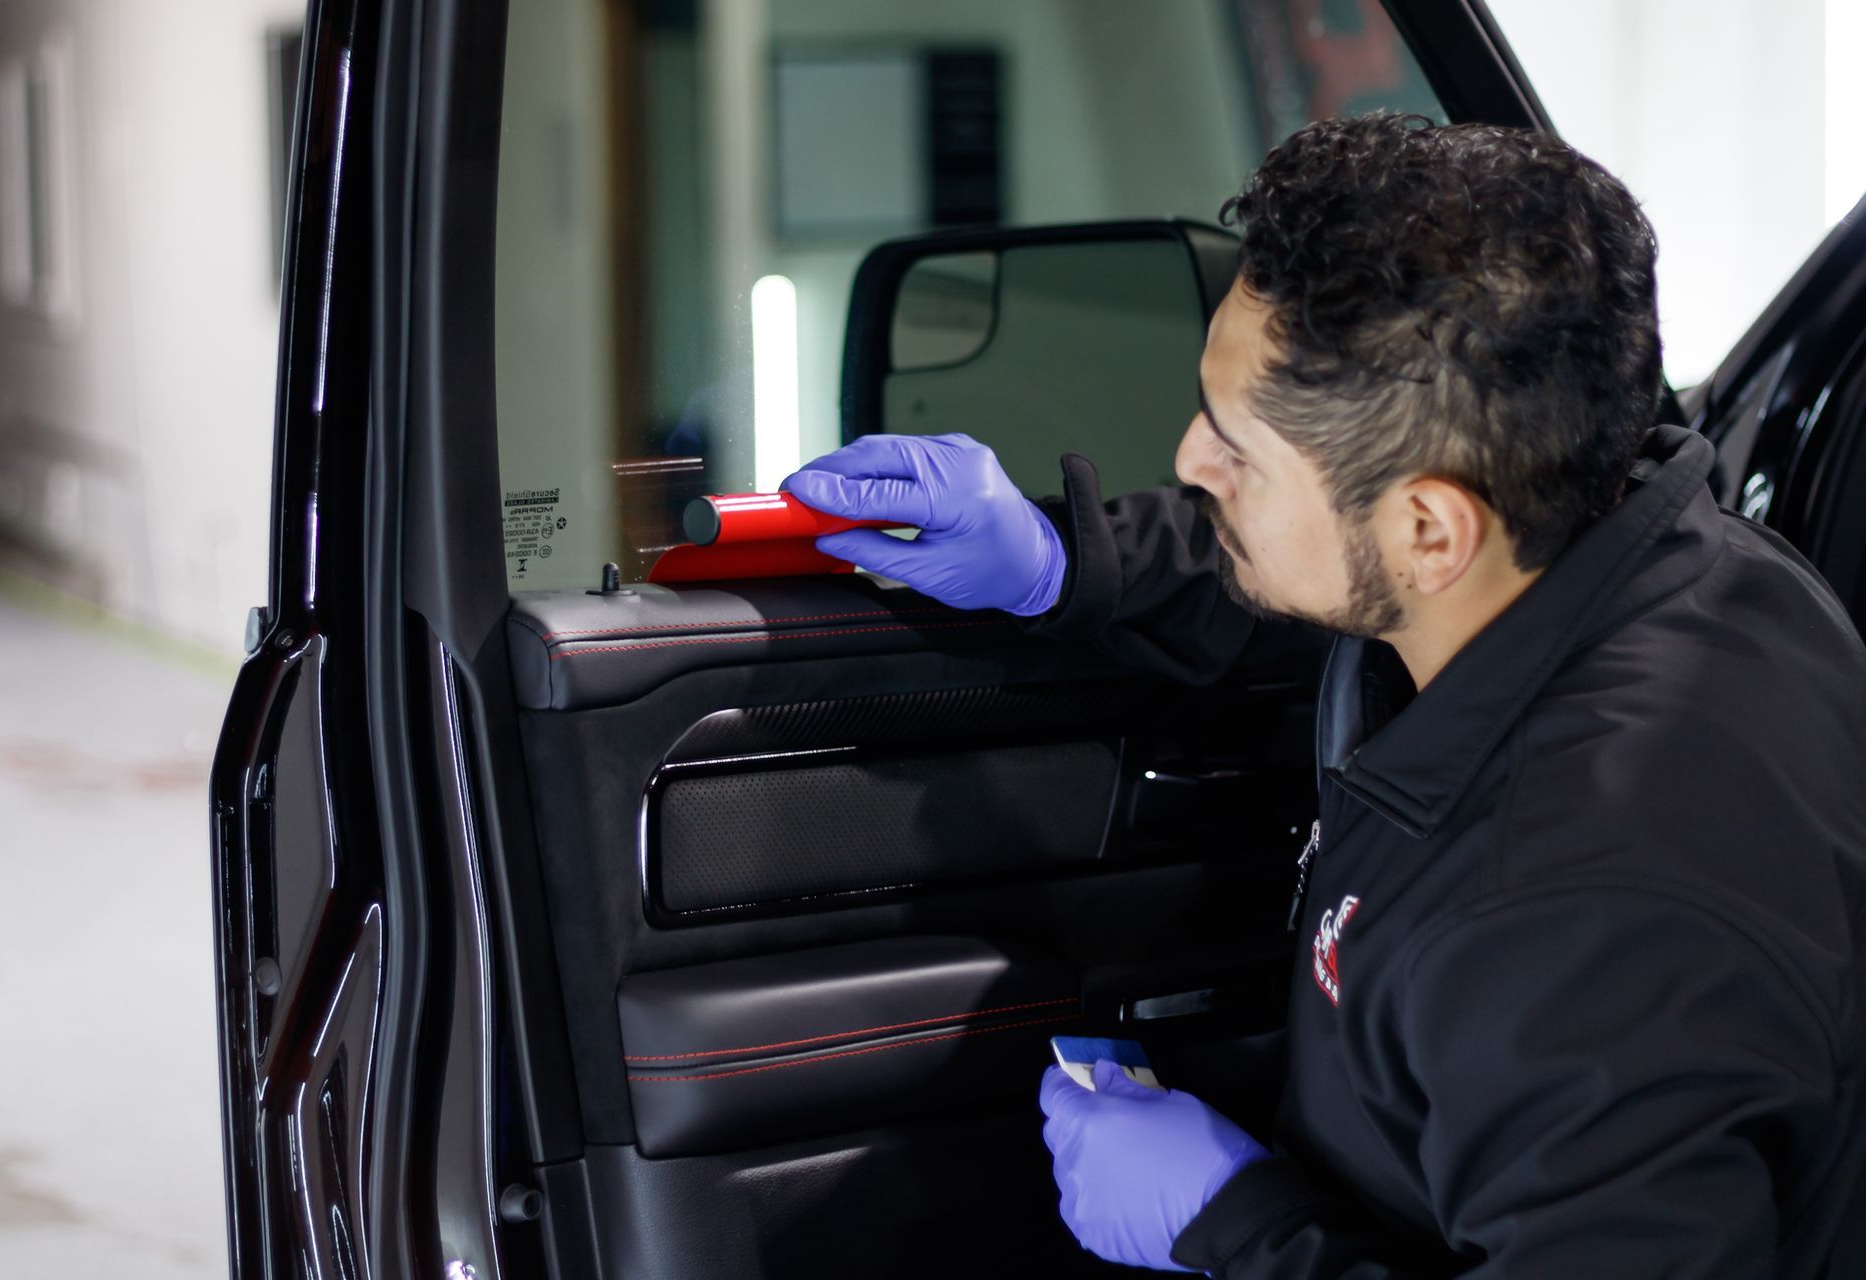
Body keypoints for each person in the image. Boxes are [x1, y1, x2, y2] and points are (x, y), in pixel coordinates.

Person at [781, 114, 1866, 1277]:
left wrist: (1234, 1221)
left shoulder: (1589, 923)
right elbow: (1329, 576)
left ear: (1430, 527)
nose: (1192, 459)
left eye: (1237, 447)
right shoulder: (1659, 550)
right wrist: (1061, 558)